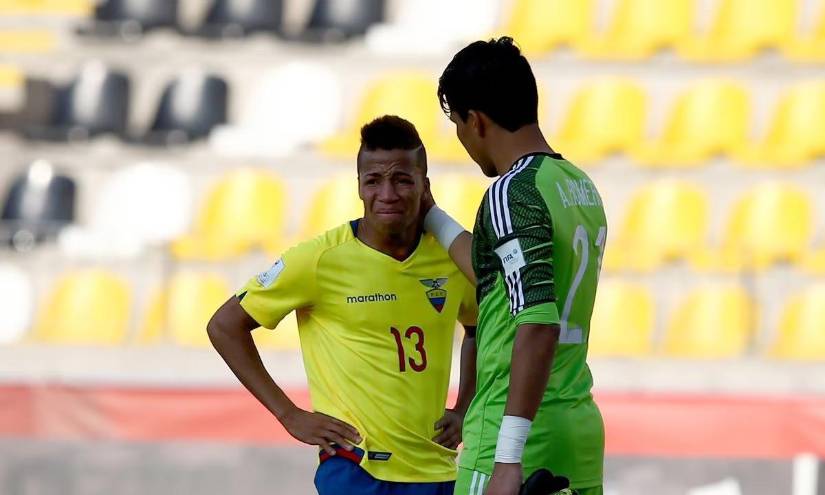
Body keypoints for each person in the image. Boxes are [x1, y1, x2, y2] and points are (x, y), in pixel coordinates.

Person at [206, 115, 478, 495]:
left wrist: (465, 407)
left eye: (402, 179)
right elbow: (224, 326)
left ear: (424, 186)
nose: (388, 193)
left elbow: (480, 328)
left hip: (437, 469)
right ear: (360, 188)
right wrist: (289, 415)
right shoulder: (319, 259)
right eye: (374, 181)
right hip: (355, 468)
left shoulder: (451, 260)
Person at [423, 37, 607, 495]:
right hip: (576, 427)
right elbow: (500, 278)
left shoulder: (512, 191)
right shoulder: (577, 186)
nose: (463, 141)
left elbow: (537, 323)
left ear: (476, 120)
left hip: (516, 436)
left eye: (459, 126)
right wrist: (432, 216)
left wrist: (508, 458)